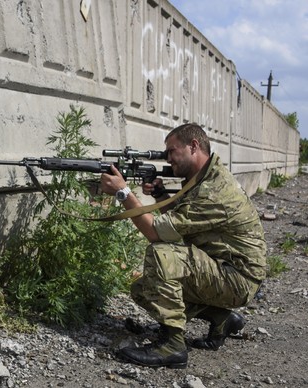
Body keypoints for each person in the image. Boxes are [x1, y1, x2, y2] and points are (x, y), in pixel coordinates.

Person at [100, 123, 266, 369]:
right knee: (143, 290)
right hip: (227, 269)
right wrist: (160, 196)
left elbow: (156, 233)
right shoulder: (204, 177)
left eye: (171, 151)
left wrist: (123, 193)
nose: (168, 158)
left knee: (161, 254)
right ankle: (221, 318)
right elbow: (181, 224)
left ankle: (172, 346)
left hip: (237, 278)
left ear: (194, 146)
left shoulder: (212, 190)